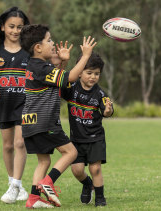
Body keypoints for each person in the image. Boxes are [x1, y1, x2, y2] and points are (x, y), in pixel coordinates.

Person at [20, 24, 97, 208]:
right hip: (45, 121)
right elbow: (69, 78)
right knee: (71, 152)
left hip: (29, 122)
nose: (53, 43)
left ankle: (33, 199)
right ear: (38, 47)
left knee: (44, 160)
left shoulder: (34, 66)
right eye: (49, 40)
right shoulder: (42, 68)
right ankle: (47, 183)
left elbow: (57, 82)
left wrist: (62, 62)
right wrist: (85, 55)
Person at [0, 6, 30, 204]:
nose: (15, 30)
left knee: (20, 143)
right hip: (4, 105)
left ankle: (15, 185)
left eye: (20, 27)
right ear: (2, 27)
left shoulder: (29, 50)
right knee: (8, 145)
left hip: (25, 104)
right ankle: (14, 184)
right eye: (11, 26)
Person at [61, 52, 113, 207]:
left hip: (95, 138)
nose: (93, 77)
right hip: (76, 139)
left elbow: (107, 112)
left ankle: (100, 198)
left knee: (95, 168)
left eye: (97, 74)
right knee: (77, 170)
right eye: (89, 73)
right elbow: (60, 82)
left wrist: (108, 110)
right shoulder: (71, 88)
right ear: (79, 72)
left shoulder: (101, 94)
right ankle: (87, 184)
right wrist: (63, 63)